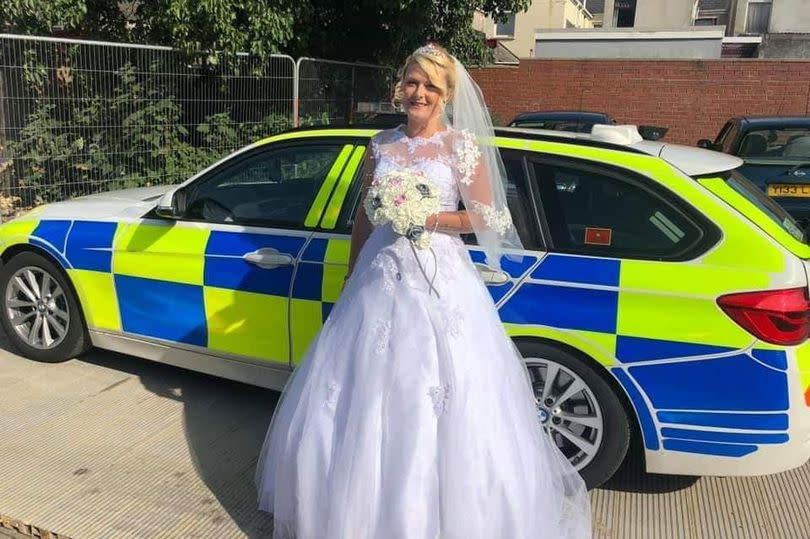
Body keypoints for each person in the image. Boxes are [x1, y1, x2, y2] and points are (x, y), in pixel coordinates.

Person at [255, 43, 591, 539]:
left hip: (440, 284)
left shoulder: (460, 148)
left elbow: (486, 218)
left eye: (430, 86)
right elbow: (365, 215)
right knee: (359, 396)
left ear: (447, 93)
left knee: (440, 398)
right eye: (413, 82)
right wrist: (351, 273)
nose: (419, 93)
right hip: (377, 281)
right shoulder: (380, 145)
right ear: (401, 85)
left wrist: (426, 217)